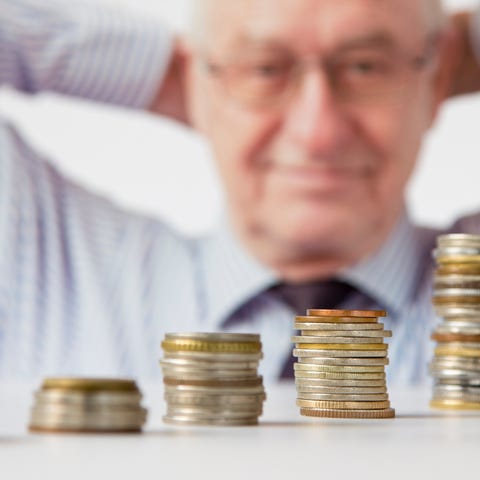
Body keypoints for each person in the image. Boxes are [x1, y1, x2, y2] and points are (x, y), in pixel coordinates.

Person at [0, 0, 479, 385]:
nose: (318, 133)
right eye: (265, 69)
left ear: (438, 77)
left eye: (366, 67)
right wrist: (168, 76)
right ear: (196, 81)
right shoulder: (56, 271)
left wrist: (457, 61)